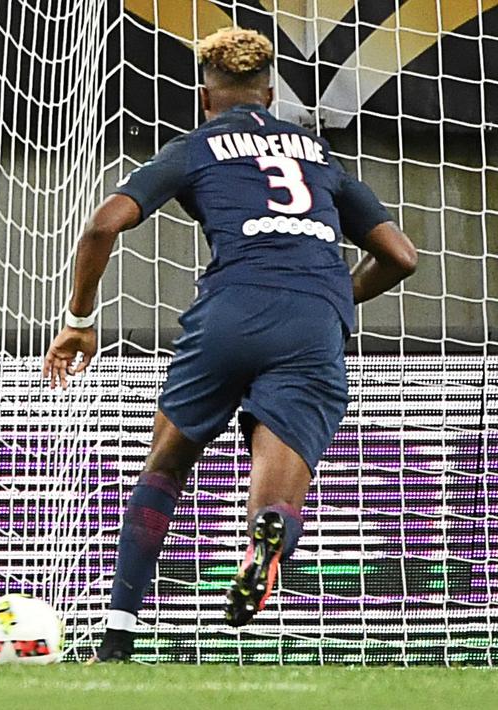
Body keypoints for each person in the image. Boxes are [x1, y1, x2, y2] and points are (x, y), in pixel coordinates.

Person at [42, 28, 418, 662]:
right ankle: (267, 541)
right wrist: (330, 299)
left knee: (165, 464)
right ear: (270, 95)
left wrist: (80, 317)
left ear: (203, 95)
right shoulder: (319, 154)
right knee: (277, 490)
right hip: (312, 319)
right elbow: (401, 256)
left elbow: (104, 222)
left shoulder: (195, 146)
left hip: (229, 311)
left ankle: (117, 633)